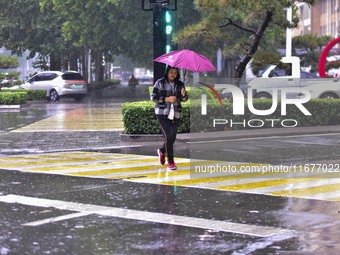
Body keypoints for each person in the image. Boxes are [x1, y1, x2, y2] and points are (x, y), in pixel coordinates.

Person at [151, 66, 188, 170]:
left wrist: (184, 95)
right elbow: (153, 97)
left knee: (172, 138)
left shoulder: (180, 84)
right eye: (171, 72)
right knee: (169, 135)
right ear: (167, 72)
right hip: (162, 113)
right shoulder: (160, 82)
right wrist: (167, 99)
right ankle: (171, 162)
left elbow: (184, 99)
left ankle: (162, 151)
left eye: (175, 73)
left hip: (176, 114)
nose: (173, 74)